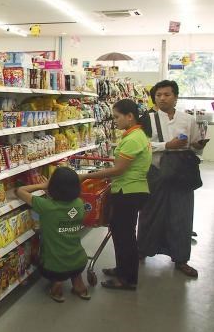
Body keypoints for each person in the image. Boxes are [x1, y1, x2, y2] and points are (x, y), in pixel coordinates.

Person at [78, 99, 151, 290]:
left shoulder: (134, 138)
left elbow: (118, 170)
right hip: (128, 190)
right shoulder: (135, 135)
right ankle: (122, 270)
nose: (115, 120)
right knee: (119, 233)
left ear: (130, 116)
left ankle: (127, 279)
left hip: (129, 192)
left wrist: (87, 175)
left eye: (117, 117)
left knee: (125, 236)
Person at [137, 80, 207, 278]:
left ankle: (181, 258)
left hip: (181, 173)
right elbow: (143, 147)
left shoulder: (187, 119)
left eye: (167, 94)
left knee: (181, 214)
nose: (162, 98)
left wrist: (197, 144)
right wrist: (168, 145)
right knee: (150, 212)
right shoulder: (146, 119)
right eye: (158, 95)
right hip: (156, 172)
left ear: (175, 97)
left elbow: (195, 147)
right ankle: (142, 250)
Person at [16, 167, 89, 302]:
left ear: (53, 187)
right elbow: (64, 210)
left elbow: (20, 191)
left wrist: (43, 185)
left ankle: (57, 286)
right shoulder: (79, 204)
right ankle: (80, 286)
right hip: (80, 262)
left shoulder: (45, 206)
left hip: (54, 267)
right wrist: (50, 192)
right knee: (74, 266)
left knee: (53, 267)